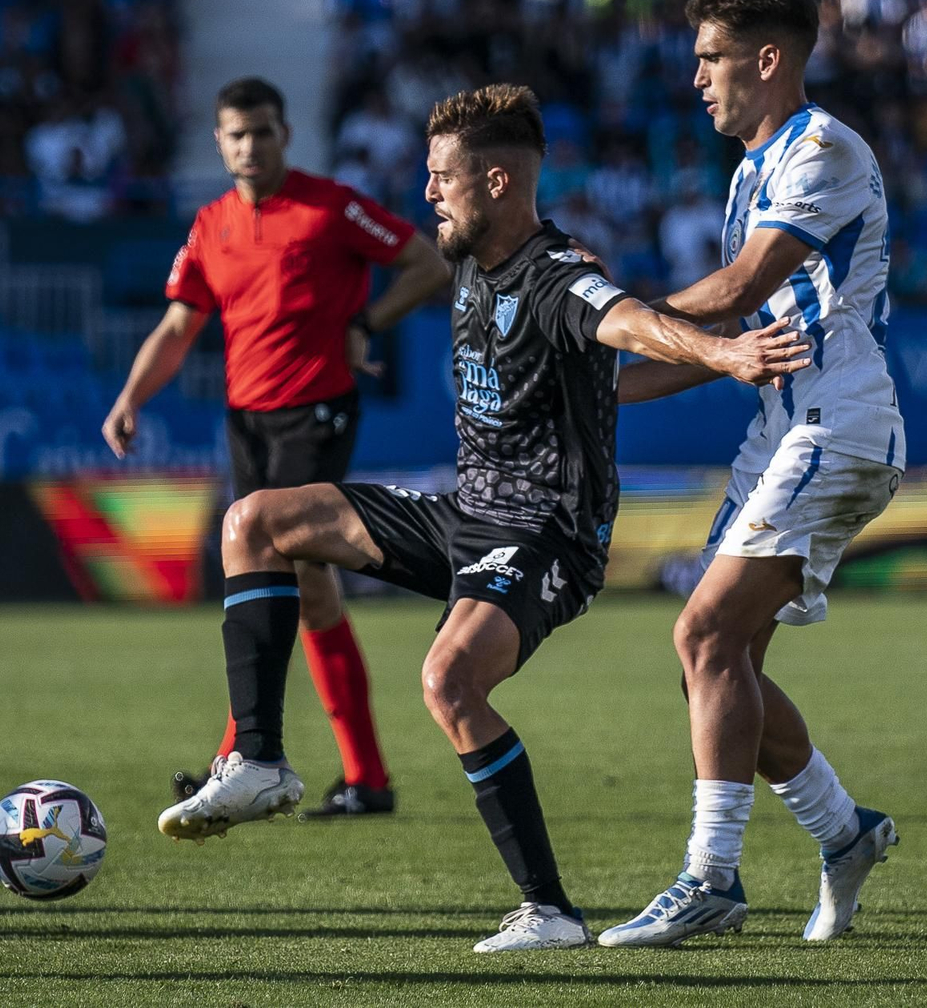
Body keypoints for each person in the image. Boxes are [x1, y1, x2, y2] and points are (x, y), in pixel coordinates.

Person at [154, 84, 811, 952]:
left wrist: (725, 351)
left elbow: (628, 323)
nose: (427, 192)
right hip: (469, 513)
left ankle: (549, 911)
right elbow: (614, 376)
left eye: (442, 178)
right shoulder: (467, 260)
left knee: (448, 682)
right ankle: (261, 761)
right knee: (255, 524)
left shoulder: (555, 274)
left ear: (498, 183)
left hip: (547, 536)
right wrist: (715, 357)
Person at [599, 0, 906, 948]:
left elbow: (736, 290)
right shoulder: (747, 172)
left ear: (766, 60)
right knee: (712, 664)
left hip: (836, 417)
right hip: (778, 421)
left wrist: (596, 321)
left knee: (702, 635)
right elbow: (728, 343)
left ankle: (711, 879)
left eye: (710, 58)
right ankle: (841, 830)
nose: (696, 78)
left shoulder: (823, 149)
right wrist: (585, 389)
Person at [102, 77, 452, 819]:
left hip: (317, 412)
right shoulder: (211, 226)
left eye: (262, 131)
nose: (250, 145)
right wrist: (132, 397)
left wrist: (366, 322)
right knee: (303, 584)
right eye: (236, 134)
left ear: (284, 134)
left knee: (280, 566)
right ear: (220, 142)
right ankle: (359, 777)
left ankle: (245, 759)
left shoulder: (331, 207)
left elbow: (428, 265)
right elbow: (177, 328)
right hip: (247, 422)